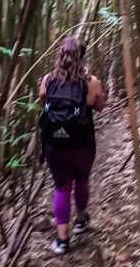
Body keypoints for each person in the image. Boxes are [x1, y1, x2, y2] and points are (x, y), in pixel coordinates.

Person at [38, 36, 105, 255]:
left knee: (61, 187)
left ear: (60, 56)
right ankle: (81, 219)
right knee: (82, 180)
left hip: (54, 145)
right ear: (81, 57)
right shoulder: (91, 82)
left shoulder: (47, 80)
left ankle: (62, 240)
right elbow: (100, 106)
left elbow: (43, 103)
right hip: (82, 144)